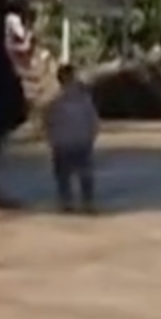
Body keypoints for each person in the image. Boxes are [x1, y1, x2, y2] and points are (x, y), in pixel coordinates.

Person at [42, 63, 103, 213]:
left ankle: (66, 203)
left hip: (62, 143)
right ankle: (87, 203)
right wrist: (90, 138)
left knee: (63, 176)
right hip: (81, 141)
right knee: (85, 174)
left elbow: (48, 123)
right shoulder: (84, 98)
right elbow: (94, 121)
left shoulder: (54, 100)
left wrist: (51, 139)